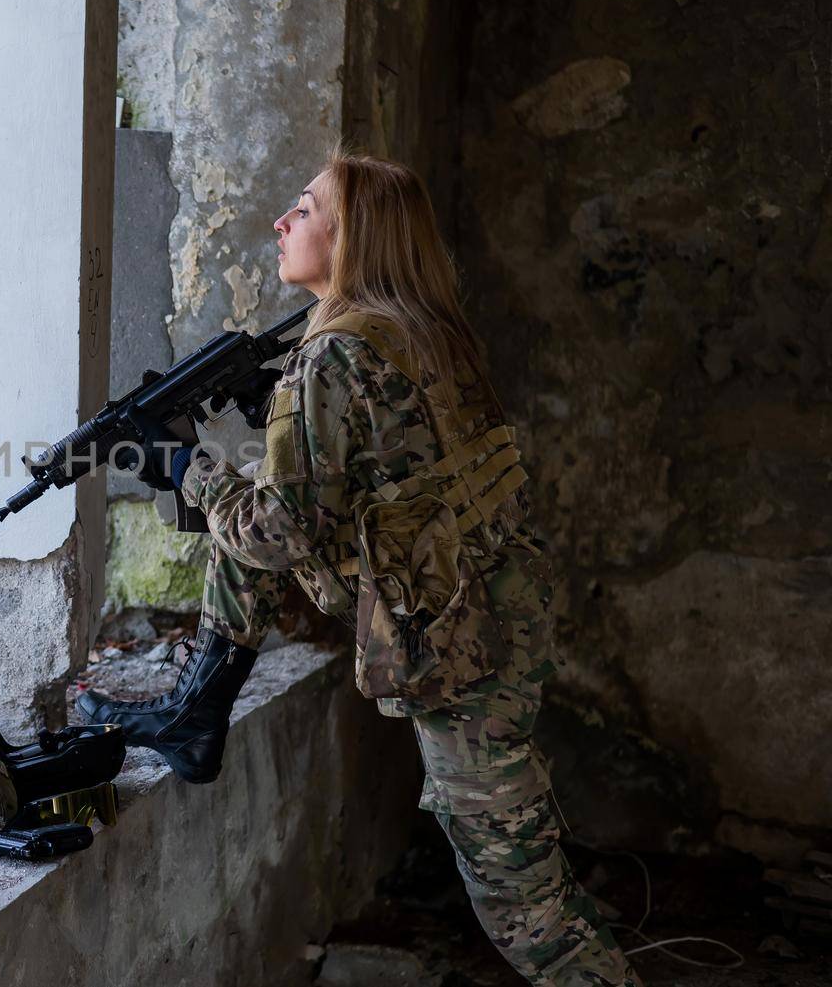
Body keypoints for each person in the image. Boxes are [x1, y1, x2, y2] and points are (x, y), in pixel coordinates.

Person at [78, 146, 643, 987]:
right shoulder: (421, 328)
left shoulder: (334, 357)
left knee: (529, 916)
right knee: (532, 880)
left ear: (353, 239)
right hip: (496, 620)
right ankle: (200, 709)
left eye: (304, 209)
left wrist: (182, 466)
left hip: (464, 660)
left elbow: (275, 532)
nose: (281, 220)